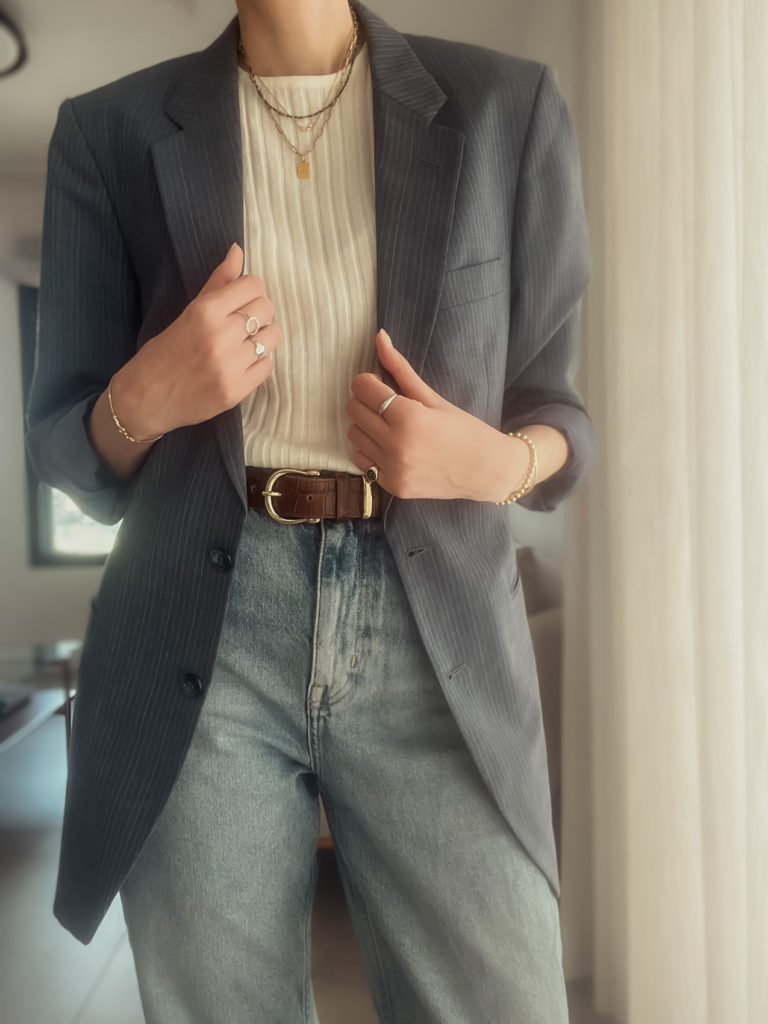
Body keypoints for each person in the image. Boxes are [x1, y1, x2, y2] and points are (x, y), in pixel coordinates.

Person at [25, 1, 596, 1020]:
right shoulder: (107, 132)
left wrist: (491, 461)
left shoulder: (508, 107)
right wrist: (144, 398)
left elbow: (560, 422)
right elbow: (69, 451)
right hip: (195, 636)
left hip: (440, 632)